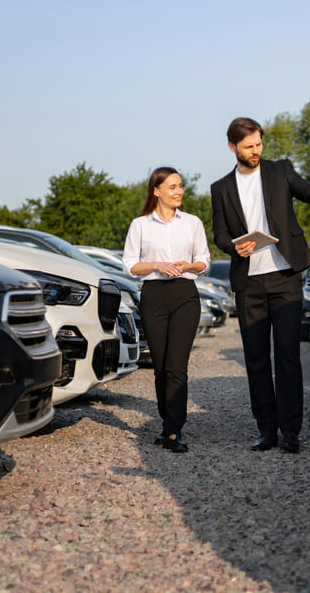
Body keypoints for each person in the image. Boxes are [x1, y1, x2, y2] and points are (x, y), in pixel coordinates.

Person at [211, 117, 310, 453]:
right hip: (249, 282)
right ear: (233, 147)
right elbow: (219, 232)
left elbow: (309, 191)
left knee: (288, 356)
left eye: (259, 144)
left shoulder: (280, 171)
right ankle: (267, 430)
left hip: (285, 276)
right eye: (248, 146)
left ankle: (291, 432)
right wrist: (233, 246)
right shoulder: (221, 188)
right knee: (256, 359)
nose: (256, 151)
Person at [123, 167, 210, 453]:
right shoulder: (140, 225)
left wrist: (187, 265)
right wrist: (158, 265)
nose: (179, 191)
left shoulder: (193, 223)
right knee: (160, 367)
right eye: (172, 187)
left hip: (185, 294)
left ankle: (174, 430)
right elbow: (131, 266)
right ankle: (166, 424)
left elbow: (204, 261)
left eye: (181, 186)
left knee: (176, 366)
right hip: (154, 295)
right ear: (156, 190)